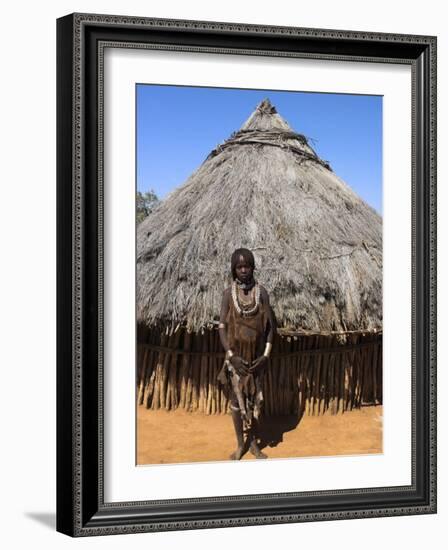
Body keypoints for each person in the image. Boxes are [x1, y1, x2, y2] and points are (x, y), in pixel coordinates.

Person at [217, 248, 276, 460]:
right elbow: (222, 327)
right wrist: (231, 356)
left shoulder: (262, 293)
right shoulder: (227, 295)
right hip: (236, 360)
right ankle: (241, 444)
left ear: (253, 267)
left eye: (247, 266)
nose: (243, 270)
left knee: (255, 402)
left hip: (256, 359)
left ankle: (254, 444)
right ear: (234, 269)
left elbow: (271, 328)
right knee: (236, 401)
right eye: (239, 267)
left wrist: (266, 356)